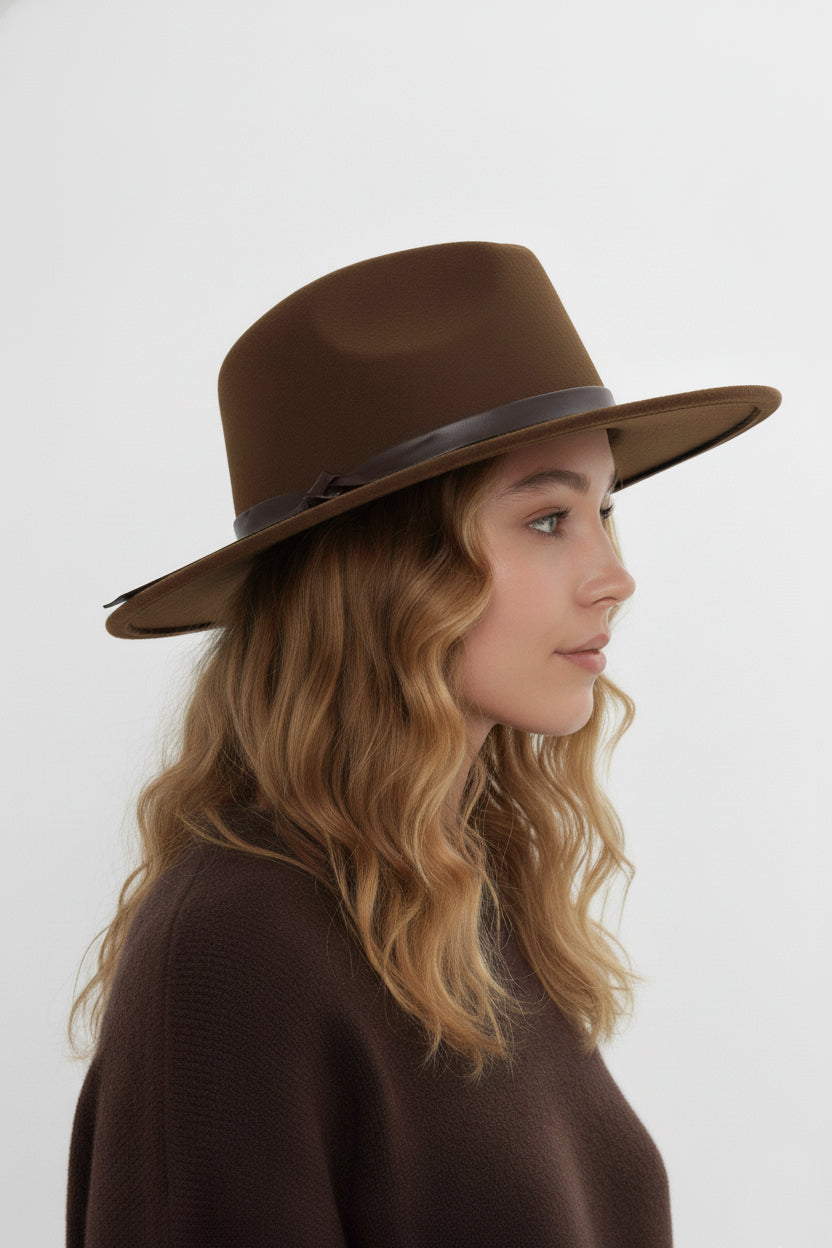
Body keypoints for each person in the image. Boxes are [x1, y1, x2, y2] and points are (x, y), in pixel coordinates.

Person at [65, 241, 781, 1247]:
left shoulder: (458, 896)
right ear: (384, 572)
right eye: (547, 518)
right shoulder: (235, 947)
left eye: (605, 510)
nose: (612, 574)